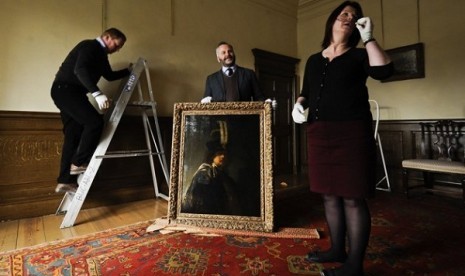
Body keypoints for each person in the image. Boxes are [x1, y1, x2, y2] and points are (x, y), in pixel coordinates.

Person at [291, 2, 393, 276]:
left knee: (352, 198)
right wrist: (298, 105)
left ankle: (353, 267)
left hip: (351, 133)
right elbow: (307, 92)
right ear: (333, 20)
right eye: (345, 13)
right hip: (319, 133)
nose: (350, 18)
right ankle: (337, 249)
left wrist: (369, 37)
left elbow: (384, 71)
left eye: (355, 16)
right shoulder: (314, 59)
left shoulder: (360, 56)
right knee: (328, 196)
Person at [51, 28, 131, 194]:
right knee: (94, 122)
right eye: (118, 44)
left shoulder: (101, 56)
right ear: (108, 37)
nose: (118, 49)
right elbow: (79, 70)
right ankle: (79, 163)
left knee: (73, 134)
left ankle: (65, 181)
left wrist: (128, 71)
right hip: (66, 90)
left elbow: (109, 75)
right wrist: (97, 94)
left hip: (68, 92)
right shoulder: (90, 46)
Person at [181, 142, 239, 215]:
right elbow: (202, 197)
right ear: (212, 156)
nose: (223, 156)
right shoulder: (205, 172)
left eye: (225, 154)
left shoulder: (224, 176)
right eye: (219, 153)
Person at [201, 41, 266, 103]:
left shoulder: (249, 74)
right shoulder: (211, 79)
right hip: (220, 115)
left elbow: (259, 98)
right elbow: (206, 102)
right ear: (218, 58)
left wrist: (267, 104)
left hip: (245, 114)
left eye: (230, 51)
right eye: (223, 52)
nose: (228, 54)